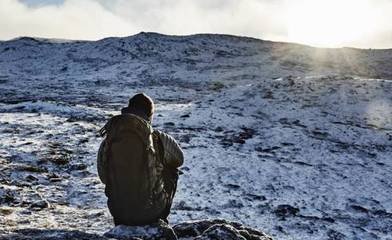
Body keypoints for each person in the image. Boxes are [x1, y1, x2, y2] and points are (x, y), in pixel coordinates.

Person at [97, 93, 184, 226]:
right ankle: (160, 222)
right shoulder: (157, 138)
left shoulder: (109, 139)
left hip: (118, 212)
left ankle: (123, 222)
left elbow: (104, 176)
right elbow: (179, 159)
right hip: (151, 212)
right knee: (172, 170)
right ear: (149, 114)